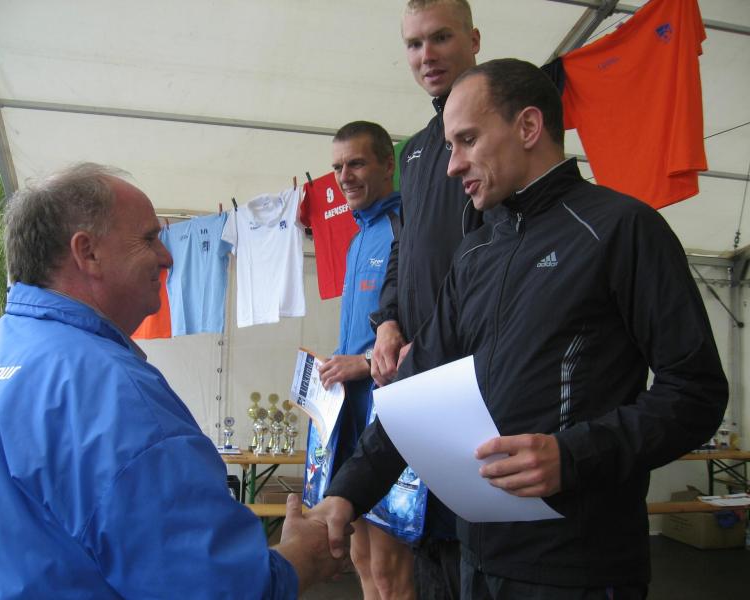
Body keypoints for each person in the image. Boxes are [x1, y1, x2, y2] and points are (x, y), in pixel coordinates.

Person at [311, 59, 728, 599]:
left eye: (467, 140)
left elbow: (695, 392)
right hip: (476, 557)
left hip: (579, 566)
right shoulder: (475, 253)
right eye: (449, 146)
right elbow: (415, 390)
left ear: (528, 127)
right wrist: (345, 494)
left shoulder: (622, 229)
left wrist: (573, 456)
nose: (451, 166)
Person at [0, 164, 344, 599]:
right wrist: (301, 556)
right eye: (149, 238)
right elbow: (216, 588)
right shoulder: (110, 392)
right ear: (87, 252)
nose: (167, 257)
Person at [367, 2, 484, 596]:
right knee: (428, 547)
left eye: (441, 38)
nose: (427, 55)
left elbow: (500, 261)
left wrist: (435, 344)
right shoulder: (413, 150)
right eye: (414, 44)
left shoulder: (496, 132)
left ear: (474, 39)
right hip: (416, 380)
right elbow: (403, 247)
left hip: (471, 380)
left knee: (472, 549)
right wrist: (387, 323)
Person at [316, 121, 414, 599]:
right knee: (359, 556)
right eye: (337, 167)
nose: (344, 176)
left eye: (356, 163)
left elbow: (425, 322)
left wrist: (361, 364)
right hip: (349, 412)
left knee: (390, 567)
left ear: (388, 164)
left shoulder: (405, 228)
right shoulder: (357, 239)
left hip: (389, 412)